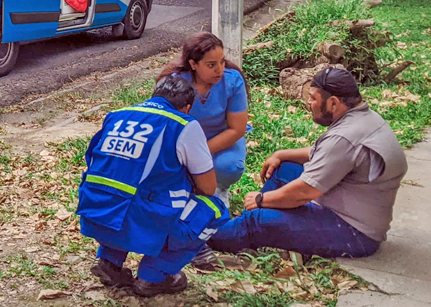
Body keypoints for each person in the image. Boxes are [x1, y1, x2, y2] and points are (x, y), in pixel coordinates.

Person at [209, 68, 408, 258]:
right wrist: (281, 153)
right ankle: (252, 223)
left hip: (353, 232)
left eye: (313, 97)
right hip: (346, 205)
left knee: (256, 222)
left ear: (333, 103)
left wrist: (262, 199)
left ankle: (206, 236)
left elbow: (304, 192)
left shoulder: (344, 138)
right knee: (284, 167)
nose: (308, 102)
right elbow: (321, 154)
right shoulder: (365, 119)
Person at [77, 76, 229, 297]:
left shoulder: (116, 115)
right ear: (186, 107)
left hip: (95, 212)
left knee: (126, 191)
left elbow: (94, 161)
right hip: (139, 218)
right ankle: (154, 276)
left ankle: (108, 259)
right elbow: (208, 187)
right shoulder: (183, 124)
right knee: (214, 207)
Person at [158, 32, 250, 205]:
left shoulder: (232, 82)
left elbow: (237, 129)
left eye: (222, 62)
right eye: (211, 65)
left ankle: (219, 188)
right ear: (193, 64)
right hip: (184, 142)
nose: (219, 70)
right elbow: (165, 124)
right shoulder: (174, 82)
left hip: (222, 140)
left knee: (229, 166)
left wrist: (199, 154)